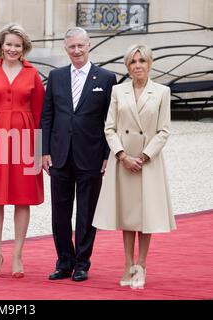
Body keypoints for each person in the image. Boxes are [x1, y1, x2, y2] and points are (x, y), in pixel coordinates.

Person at [92, 44, 176, 289]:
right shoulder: (119, 91)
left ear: (149, 64)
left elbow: (164, 130)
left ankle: (141, 264)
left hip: (148, 162)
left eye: (142, 61)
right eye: (133, 62)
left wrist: (145, 156)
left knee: (145, 215)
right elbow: (110, 127)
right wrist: (122, 155)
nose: (138, 65)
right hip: (124, 161)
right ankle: (127, 264)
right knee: (128, 215)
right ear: (127, 66)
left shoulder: (162, 92)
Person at [41, 27, 117, 282]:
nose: (76, 51)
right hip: (59, 155)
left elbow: (110, 120)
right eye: (72, 47)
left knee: (87, 212)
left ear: (89, 46)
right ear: (66, 49)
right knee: (60, 213)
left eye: (80, 46)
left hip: (91, 155)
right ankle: (64, 262)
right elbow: (48, 115)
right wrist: (44, 151)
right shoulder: (56, 76)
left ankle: (82, 263)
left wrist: (108, 154)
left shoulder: (106, 78)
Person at [0, 24, 45, 278]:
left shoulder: (33, 73)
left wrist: (40, 149)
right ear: (1, 46)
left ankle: (17, 254)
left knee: (22, 197)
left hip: (25, 140)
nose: (12, 49)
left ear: (23, 48)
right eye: (9, 44)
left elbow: (40, 114)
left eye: (17, 45)